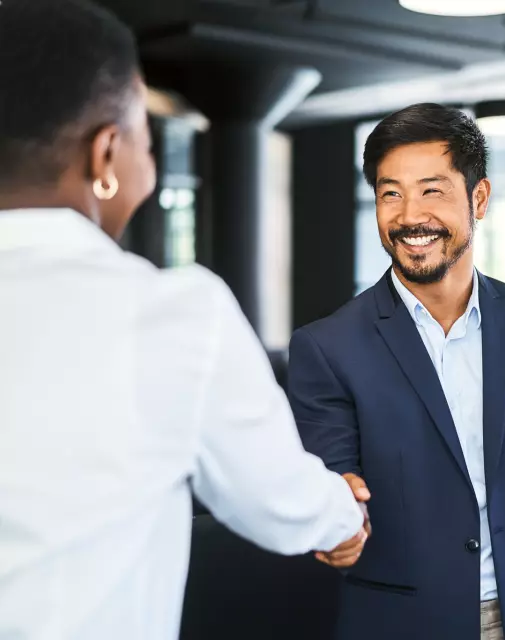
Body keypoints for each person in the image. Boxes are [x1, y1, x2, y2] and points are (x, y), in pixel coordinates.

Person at [0, 1, 369, 638]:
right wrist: (345, 516)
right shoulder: (170, 315)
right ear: (106, 153)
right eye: (145, 128)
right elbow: (279, 502)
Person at [288, 103, 505, 640]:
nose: (408, 216)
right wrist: (335, 520)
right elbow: (331, 492)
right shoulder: (326, 348)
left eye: (432, 190)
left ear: (480, 199)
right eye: (389, 193)